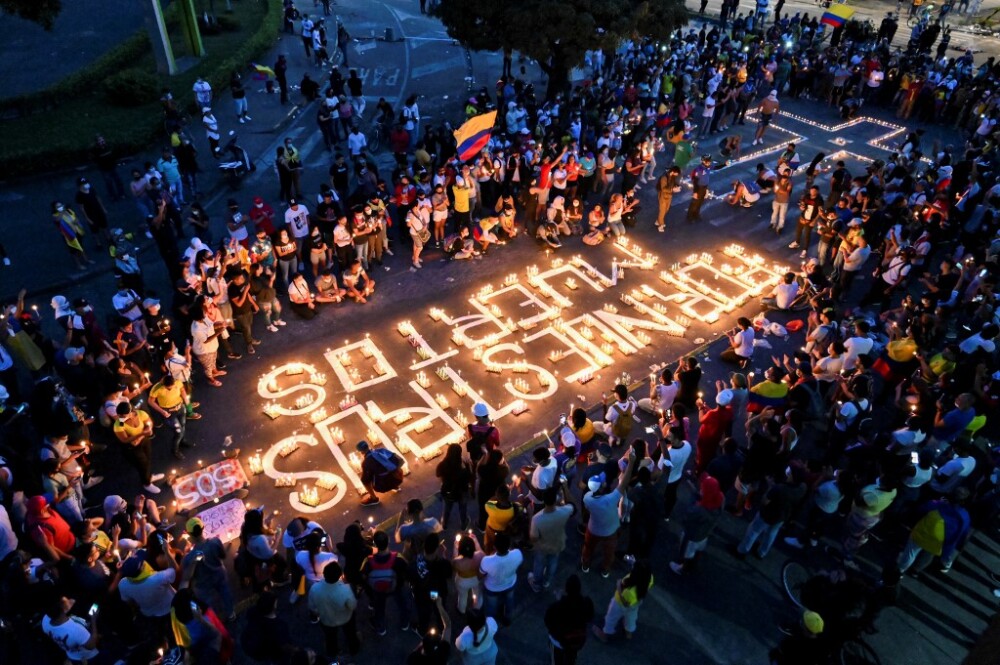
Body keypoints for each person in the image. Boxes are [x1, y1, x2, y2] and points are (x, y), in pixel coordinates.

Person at [581, 449, 635, 577]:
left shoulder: (587, 498)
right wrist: (631, 463)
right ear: (601, 486)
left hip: (593, 529)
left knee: (588, 547)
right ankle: (605, 570)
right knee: (609, 552)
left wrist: (591, 464)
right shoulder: (611, 499)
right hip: (610, 532)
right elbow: (624, 483)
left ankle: (585, 564)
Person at [361, 530, 412, 635]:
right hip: (395, 587)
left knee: (379, 608)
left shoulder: (368, 561)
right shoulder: (398, 558)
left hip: (377, 590)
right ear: (388, 541)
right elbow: (407, 571)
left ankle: (381, 628)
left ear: (375, 544)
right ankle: (404, 623)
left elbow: (363, 577)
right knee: (402, 604)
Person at [308, 561, 361, 663]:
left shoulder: (314, 588)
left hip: (327, 620)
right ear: (340, 576)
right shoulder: (346, 589)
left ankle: (332, 654)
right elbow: (352, 606)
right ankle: (354, 649)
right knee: (350, 634)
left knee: (330, 638)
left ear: (324, 574)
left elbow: (312, 607)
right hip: (345, 618)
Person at [591, 561, 654, 642]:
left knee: (611, 618)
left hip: (619, 604)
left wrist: (619, 587)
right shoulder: (649, 579)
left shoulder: (630, 591)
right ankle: (628, 632)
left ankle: (605, 634)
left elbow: (625, 603)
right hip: (635, 604)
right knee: (631, 617)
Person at [529, 487, 575, 592]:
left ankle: (536, 583)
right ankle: (547, 581)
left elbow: (533, 538)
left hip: (543, 546)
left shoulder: (537, 518)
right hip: (558, 543)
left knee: (539, 564)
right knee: (553, 562)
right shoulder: (564, 511)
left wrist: (530, 515)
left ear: (543, 501)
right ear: (556, 499)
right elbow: (572, 505)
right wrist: (565, 486)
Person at [112, 401, 164, 494]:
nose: (120, 418)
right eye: (119, 415)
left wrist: (149, 428)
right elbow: (124, 440)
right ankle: (146, 484)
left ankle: (149, 477)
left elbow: (149, 423)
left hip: (144, 441)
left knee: (148, 459)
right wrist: (142, 433)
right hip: (132, 448)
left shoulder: (140, 414)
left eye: (123, 416)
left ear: (131, 412)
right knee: (142, 464)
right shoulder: (119, 423)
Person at [544, 574, 594, 665]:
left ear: (566, 589)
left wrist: (559, 600)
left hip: (558, 640)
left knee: (556, 657)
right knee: (572, 656)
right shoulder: (586, 603)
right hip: (576, 640)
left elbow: (548, 621)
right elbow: (590, 617)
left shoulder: (557, 607)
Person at [42, 595, 102, 664]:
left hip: (72, 655)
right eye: (65, 600)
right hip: (88, 656)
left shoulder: (45, 620)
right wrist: (93, 620)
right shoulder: (75, 630)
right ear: (62, 607)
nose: (68, 599)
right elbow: (92, 645)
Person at [478, 532, 521, 626]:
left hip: (492, 589)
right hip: (510, 584)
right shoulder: (518, 554)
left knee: (491, 607)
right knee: (509, 602)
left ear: (494, 547)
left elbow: (480, 576)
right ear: (509, 545)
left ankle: (491, 624)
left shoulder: (486, 561)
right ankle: (507, 618)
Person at [437, 443, 473, 530]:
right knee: (462, 508)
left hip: (448, 492)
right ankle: (463, 524)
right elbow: (469, 477)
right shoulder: (463, 469)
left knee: (447, 508)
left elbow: (439, 476)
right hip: (462, 492)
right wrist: (468, 465)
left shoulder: (442, 465)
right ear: (459, 454)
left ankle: (444, 523)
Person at [358, 440, 405, 506]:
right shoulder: (381, 450)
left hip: (382, 486)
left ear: (361, 452)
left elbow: (366, 479)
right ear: (368, 446)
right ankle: (396, 486)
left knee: (364, 480)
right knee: (390, 469)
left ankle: (373, 499)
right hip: (398, 479)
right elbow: (397, 461)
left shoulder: (366, 462)